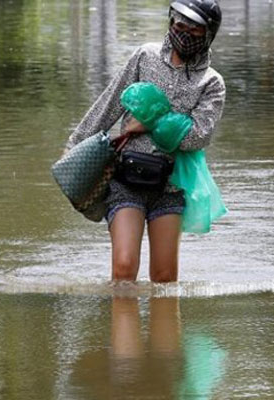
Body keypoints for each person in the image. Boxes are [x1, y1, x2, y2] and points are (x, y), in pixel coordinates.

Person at [65, 0, 225, 283]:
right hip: (125, 179)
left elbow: (197, 137)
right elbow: (110, 104)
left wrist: (149, 120)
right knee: (124, 269)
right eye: (180, 23)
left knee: (164, 279)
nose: (184, 31)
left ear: (209, 33)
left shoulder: (212, 83)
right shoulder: (145, 57)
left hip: (170, 185)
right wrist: (74, 147)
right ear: (171, 20)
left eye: (194, 28)